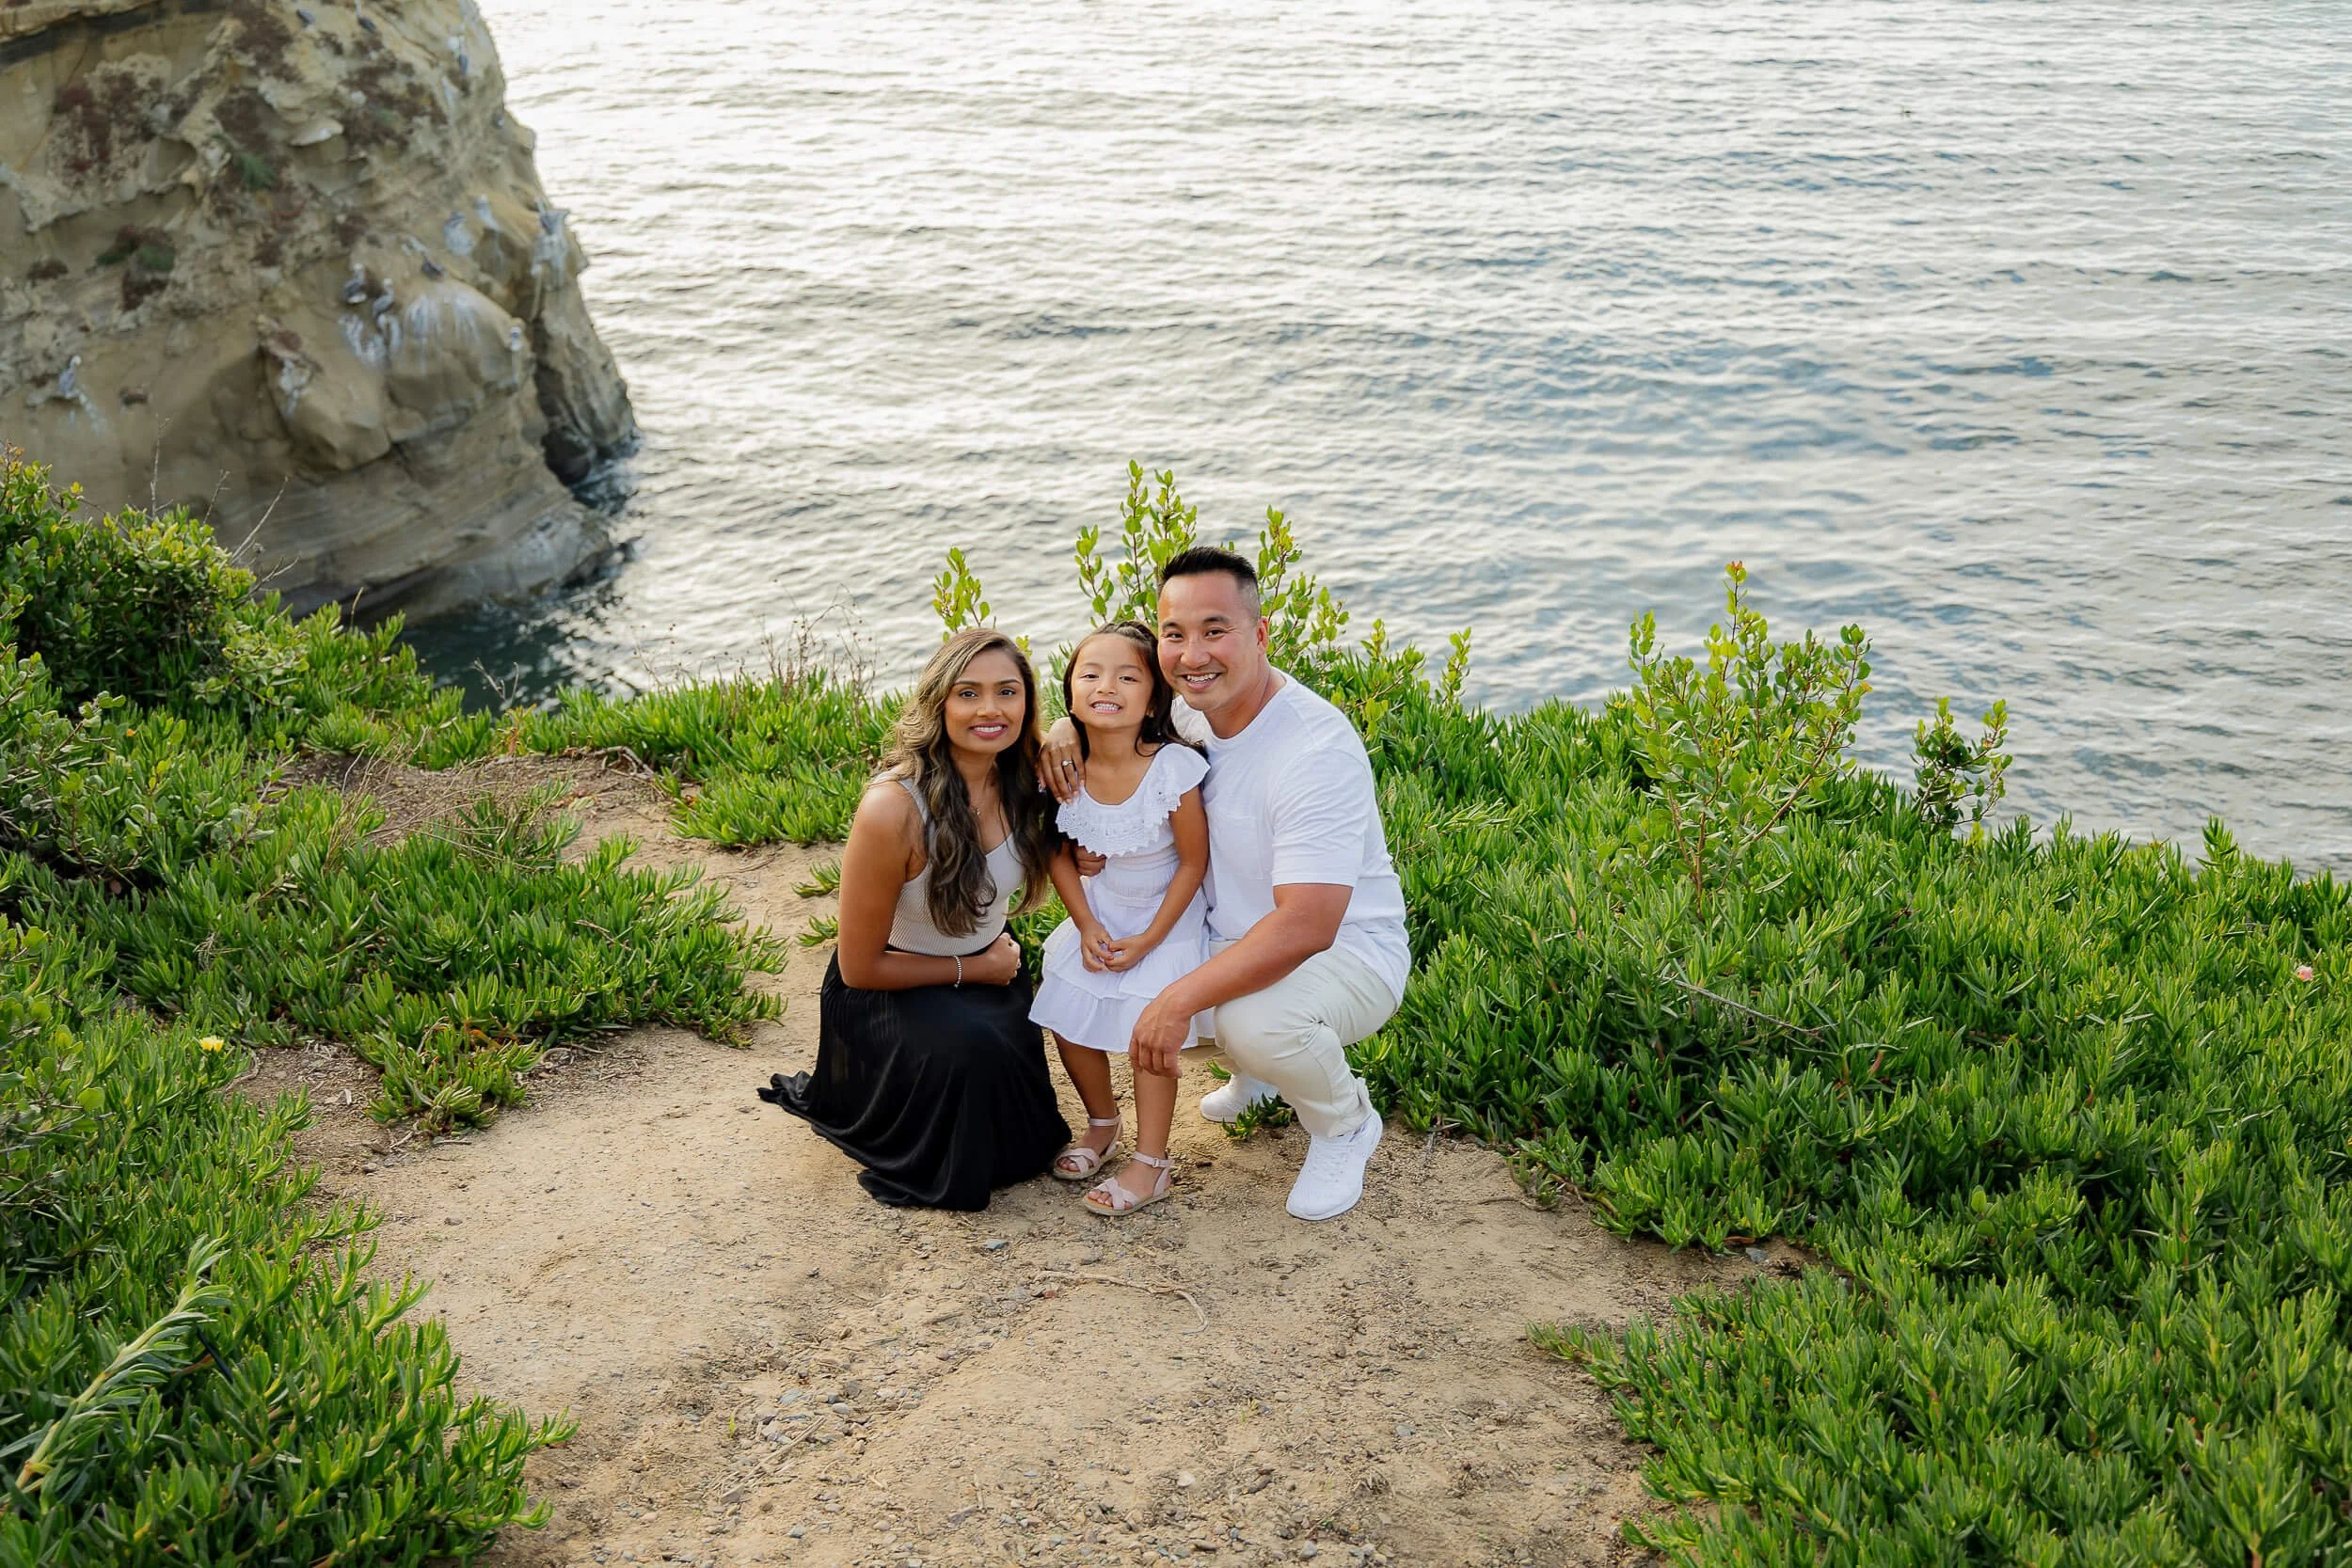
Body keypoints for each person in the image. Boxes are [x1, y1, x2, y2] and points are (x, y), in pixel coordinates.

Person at [1043, 547, 1409, 1222]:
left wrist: (1179, 999)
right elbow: (1116, 715)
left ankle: (1343, 1121)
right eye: (1174, 634)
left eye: (1215, 630)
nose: (1191, 654)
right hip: (1224, 933)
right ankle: (1258, 1074)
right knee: (1083, 967)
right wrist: (1066, 725)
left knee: (1251, 1019)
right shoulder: (1188, 712)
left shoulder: (1312, 750)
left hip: (1346, 953)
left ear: (1261, 633)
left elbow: (1308, 925)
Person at [758, 627, 1069, 1210]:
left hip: (986, 970)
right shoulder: (893, 808)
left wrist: (1065, 731)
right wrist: (973, 969)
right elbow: (858, 966)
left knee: (1018, 1105)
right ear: (939, 703)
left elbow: (1122, 723)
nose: (990, 709)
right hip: (888, 985)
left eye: (1008, 692)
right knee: (972, 1054)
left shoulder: (1028, 777)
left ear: (1028, 702)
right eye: (968, 693)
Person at [1030, 621, 1212, 1216]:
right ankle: (1103, 1124)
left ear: (1155, 697)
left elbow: (1194, 861)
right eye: (1091, 674)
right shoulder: (1063, 765)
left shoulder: (1171, 768)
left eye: (1128, 676)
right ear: (1070, 691)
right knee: (1068, 1013)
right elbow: (1058, 851)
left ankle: (1152, 1162)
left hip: (1166, 919)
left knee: (1147, 1034)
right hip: (1100, 911)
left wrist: (1153, 939)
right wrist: (1083, 924)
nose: (1107, 686)